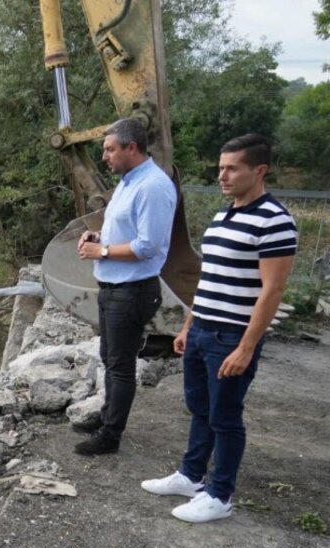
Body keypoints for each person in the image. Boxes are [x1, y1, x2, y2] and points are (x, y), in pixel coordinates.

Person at [141, 134, 297, 523]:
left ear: (259, 170)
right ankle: (191, 476)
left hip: (231, 335)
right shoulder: (225, 213)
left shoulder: (275, 220)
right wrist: (188, 325)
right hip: (202, 329)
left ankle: (220, 495)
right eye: (220, 167)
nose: (222, 176)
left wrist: (246, 347)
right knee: (199, 408)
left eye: (232, 169)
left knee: (225, 417)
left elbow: (272, 290)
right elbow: (208, 279)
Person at [73, 118, 177, 456]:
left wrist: (100, 251)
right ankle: (106, 417)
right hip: (114, 288)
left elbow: (148, 246)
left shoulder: (153, 187)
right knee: (109, 357)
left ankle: (110, 436)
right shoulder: (128, 182)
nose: (104, 156)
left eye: (109, 149)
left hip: (132, 291)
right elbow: (126, 231)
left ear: (132, 147)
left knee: (120, 366)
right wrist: (99, 237)